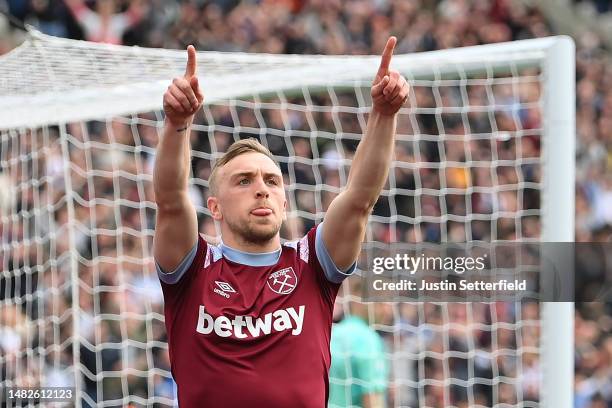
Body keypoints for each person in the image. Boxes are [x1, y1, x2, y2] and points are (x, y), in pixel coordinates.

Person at [153, 37, 409, 407]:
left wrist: (384, 115)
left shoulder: (311, 265)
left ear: (284, 202)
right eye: (244, 181)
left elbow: (359, 199)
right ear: (215, 207)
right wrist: (178, 123)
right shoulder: (192, 271)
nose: (261, 190)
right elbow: (171, 202)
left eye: (271, 181)